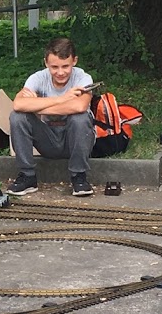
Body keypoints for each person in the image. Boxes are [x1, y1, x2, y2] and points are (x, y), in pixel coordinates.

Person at [7, 37, 96, 198]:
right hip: (48, 138)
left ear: (74, 61)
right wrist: (62, 99)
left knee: (80, 118)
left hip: (75, 140)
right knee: (17, 117)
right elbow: (18, 105)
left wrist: (39, 106)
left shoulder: (83, 78)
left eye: (65, 66)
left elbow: (79, 106)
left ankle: (79, 177)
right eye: (54, 67)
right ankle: (27, 176)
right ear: (46, 63)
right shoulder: (37, 78)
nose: (60, 72)